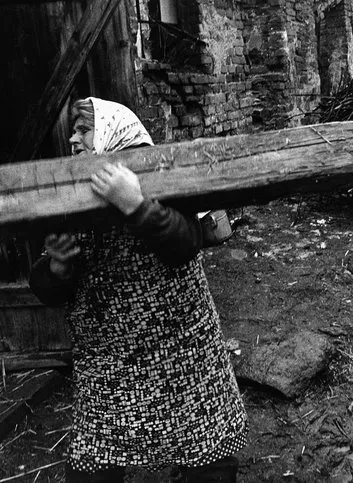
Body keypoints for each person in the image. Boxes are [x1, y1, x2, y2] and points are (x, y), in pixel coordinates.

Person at [29, 97, 247, 483]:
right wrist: (58, 267)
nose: (74, 142)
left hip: (179, 348)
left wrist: (136, 205)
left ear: (113, 131)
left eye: (83, 131)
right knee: (92, 465)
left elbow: (185, 243)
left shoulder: (161, 177)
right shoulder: (71, 195)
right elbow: (46, 289)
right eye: (72, 135)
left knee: (209, 448)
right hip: (109, 360)